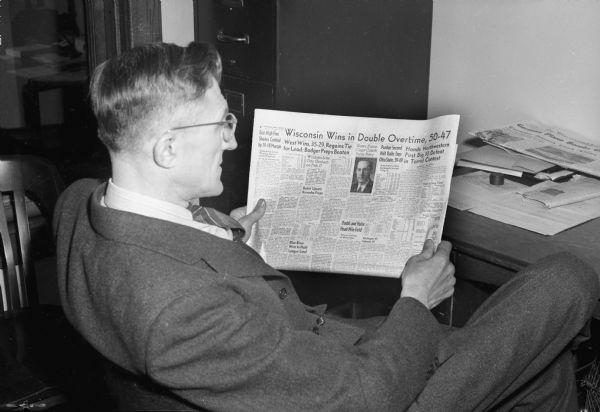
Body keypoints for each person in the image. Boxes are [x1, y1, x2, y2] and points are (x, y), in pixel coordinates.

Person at [53, 41, 599, 411]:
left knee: (542, 370)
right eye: (221, 123)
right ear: (167, 148)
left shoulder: (79, 205)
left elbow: (157, 245)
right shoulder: (178, 312)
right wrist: (415, 300)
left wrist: (223, 232)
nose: (232, 140)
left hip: (307, 354)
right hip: (356, 393)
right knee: (565, 280)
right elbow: (363, 398)